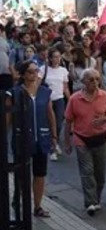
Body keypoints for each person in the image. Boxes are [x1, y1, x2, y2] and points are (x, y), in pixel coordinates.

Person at [6, 60, 58, 218]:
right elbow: (7, 118)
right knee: (21, 174)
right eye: (30, 71)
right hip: (22, 138)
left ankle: (37, 206)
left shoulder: (44, 91)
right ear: (23, 74)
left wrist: (54, 135)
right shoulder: (14, 93)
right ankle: (19, 198)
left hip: (41, 138)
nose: (34, 74)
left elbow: (50, 114)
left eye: (36, 71)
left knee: (40, 173)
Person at [64, 68, 106, 216]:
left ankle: (96, 198)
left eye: (97, 79)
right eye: (91, 79)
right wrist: (67, 142)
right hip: (81, 138)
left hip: (100, 138)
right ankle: (90, 202)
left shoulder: (104, 96)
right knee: (87, 172)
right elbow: (68, 121)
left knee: (100, 175)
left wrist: (103, 120)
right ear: (83, 81)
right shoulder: (75, 99)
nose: (95, 82)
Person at [40, 48, 69, 162]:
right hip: (48, 99)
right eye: (55, 57)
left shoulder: (63, 70)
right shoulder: (43, 69)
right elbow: (38, 84)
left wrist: (70, 99)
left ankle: (55, 141)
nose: (57, 59)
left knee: (59, 122)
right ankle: (52, 148)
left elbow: (65, 87)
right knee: (50, 123)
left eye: (58, 57)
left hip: (59, 98)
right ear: (50, 58)